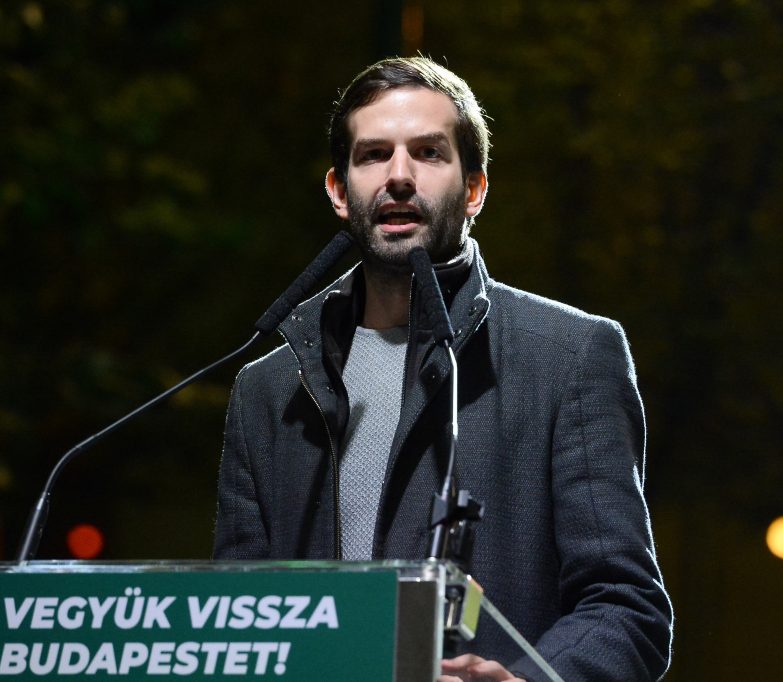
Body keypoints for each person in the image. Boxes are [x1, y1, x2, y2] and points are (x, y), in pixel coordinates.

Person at [213, 57, 673, 681]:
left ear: (475, 189)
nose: (399, 176)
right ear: (339, 191)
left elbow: (625, 606)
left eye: (428, 153)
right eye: (374, 155)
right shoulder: (268, 388)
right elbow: (236, 618)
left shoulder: (570, 356)